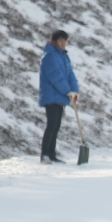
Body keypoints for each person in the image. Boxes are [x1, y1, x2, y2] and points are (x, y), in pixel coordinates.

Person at [37, 30, 80, 163]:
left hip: (60, 96)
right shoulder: (49, 56)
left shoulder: (64, 56)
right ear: (54, 41)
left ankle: (52, 154)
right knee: (52, 125)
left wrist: (74, 90)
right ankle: (45, 154)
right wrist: (68, 91)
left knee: (56, 126)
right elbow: (56, 77)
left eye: (65, 41)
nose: (63, 44)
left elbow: (70, 75)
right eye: (61, 41)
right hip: (51, 96)